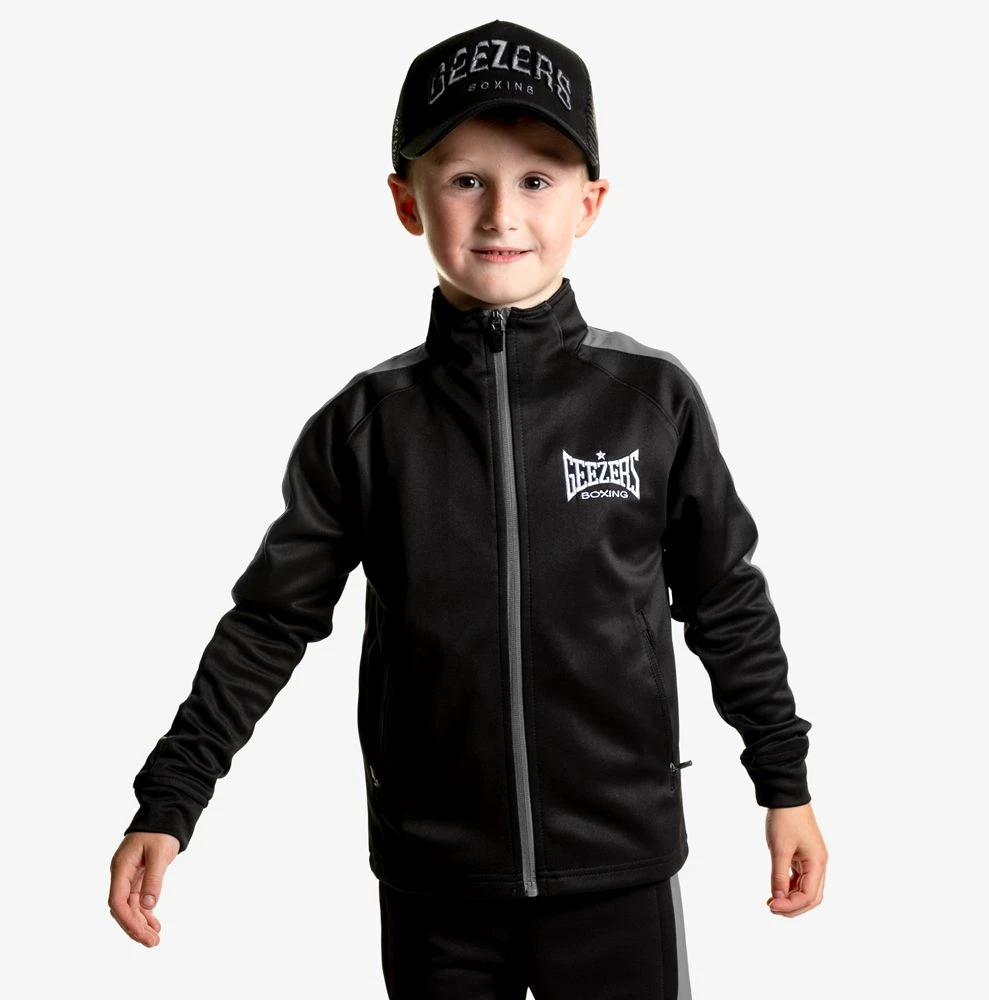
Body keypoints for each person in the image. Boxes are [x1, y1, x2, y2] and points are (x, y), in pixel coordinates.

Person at [109, 19, 828, 997]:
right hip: (434, 878)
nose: (500, 213)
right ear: (407, 202)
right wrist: (172, 796)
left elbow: (724, 598)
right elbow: (270, 622)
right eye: (464, 179)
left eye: (535, 179)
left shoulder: (649, 401)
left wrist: (784, 782)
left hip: (616, 864)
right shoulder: (366, 425)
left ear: (590, 203)